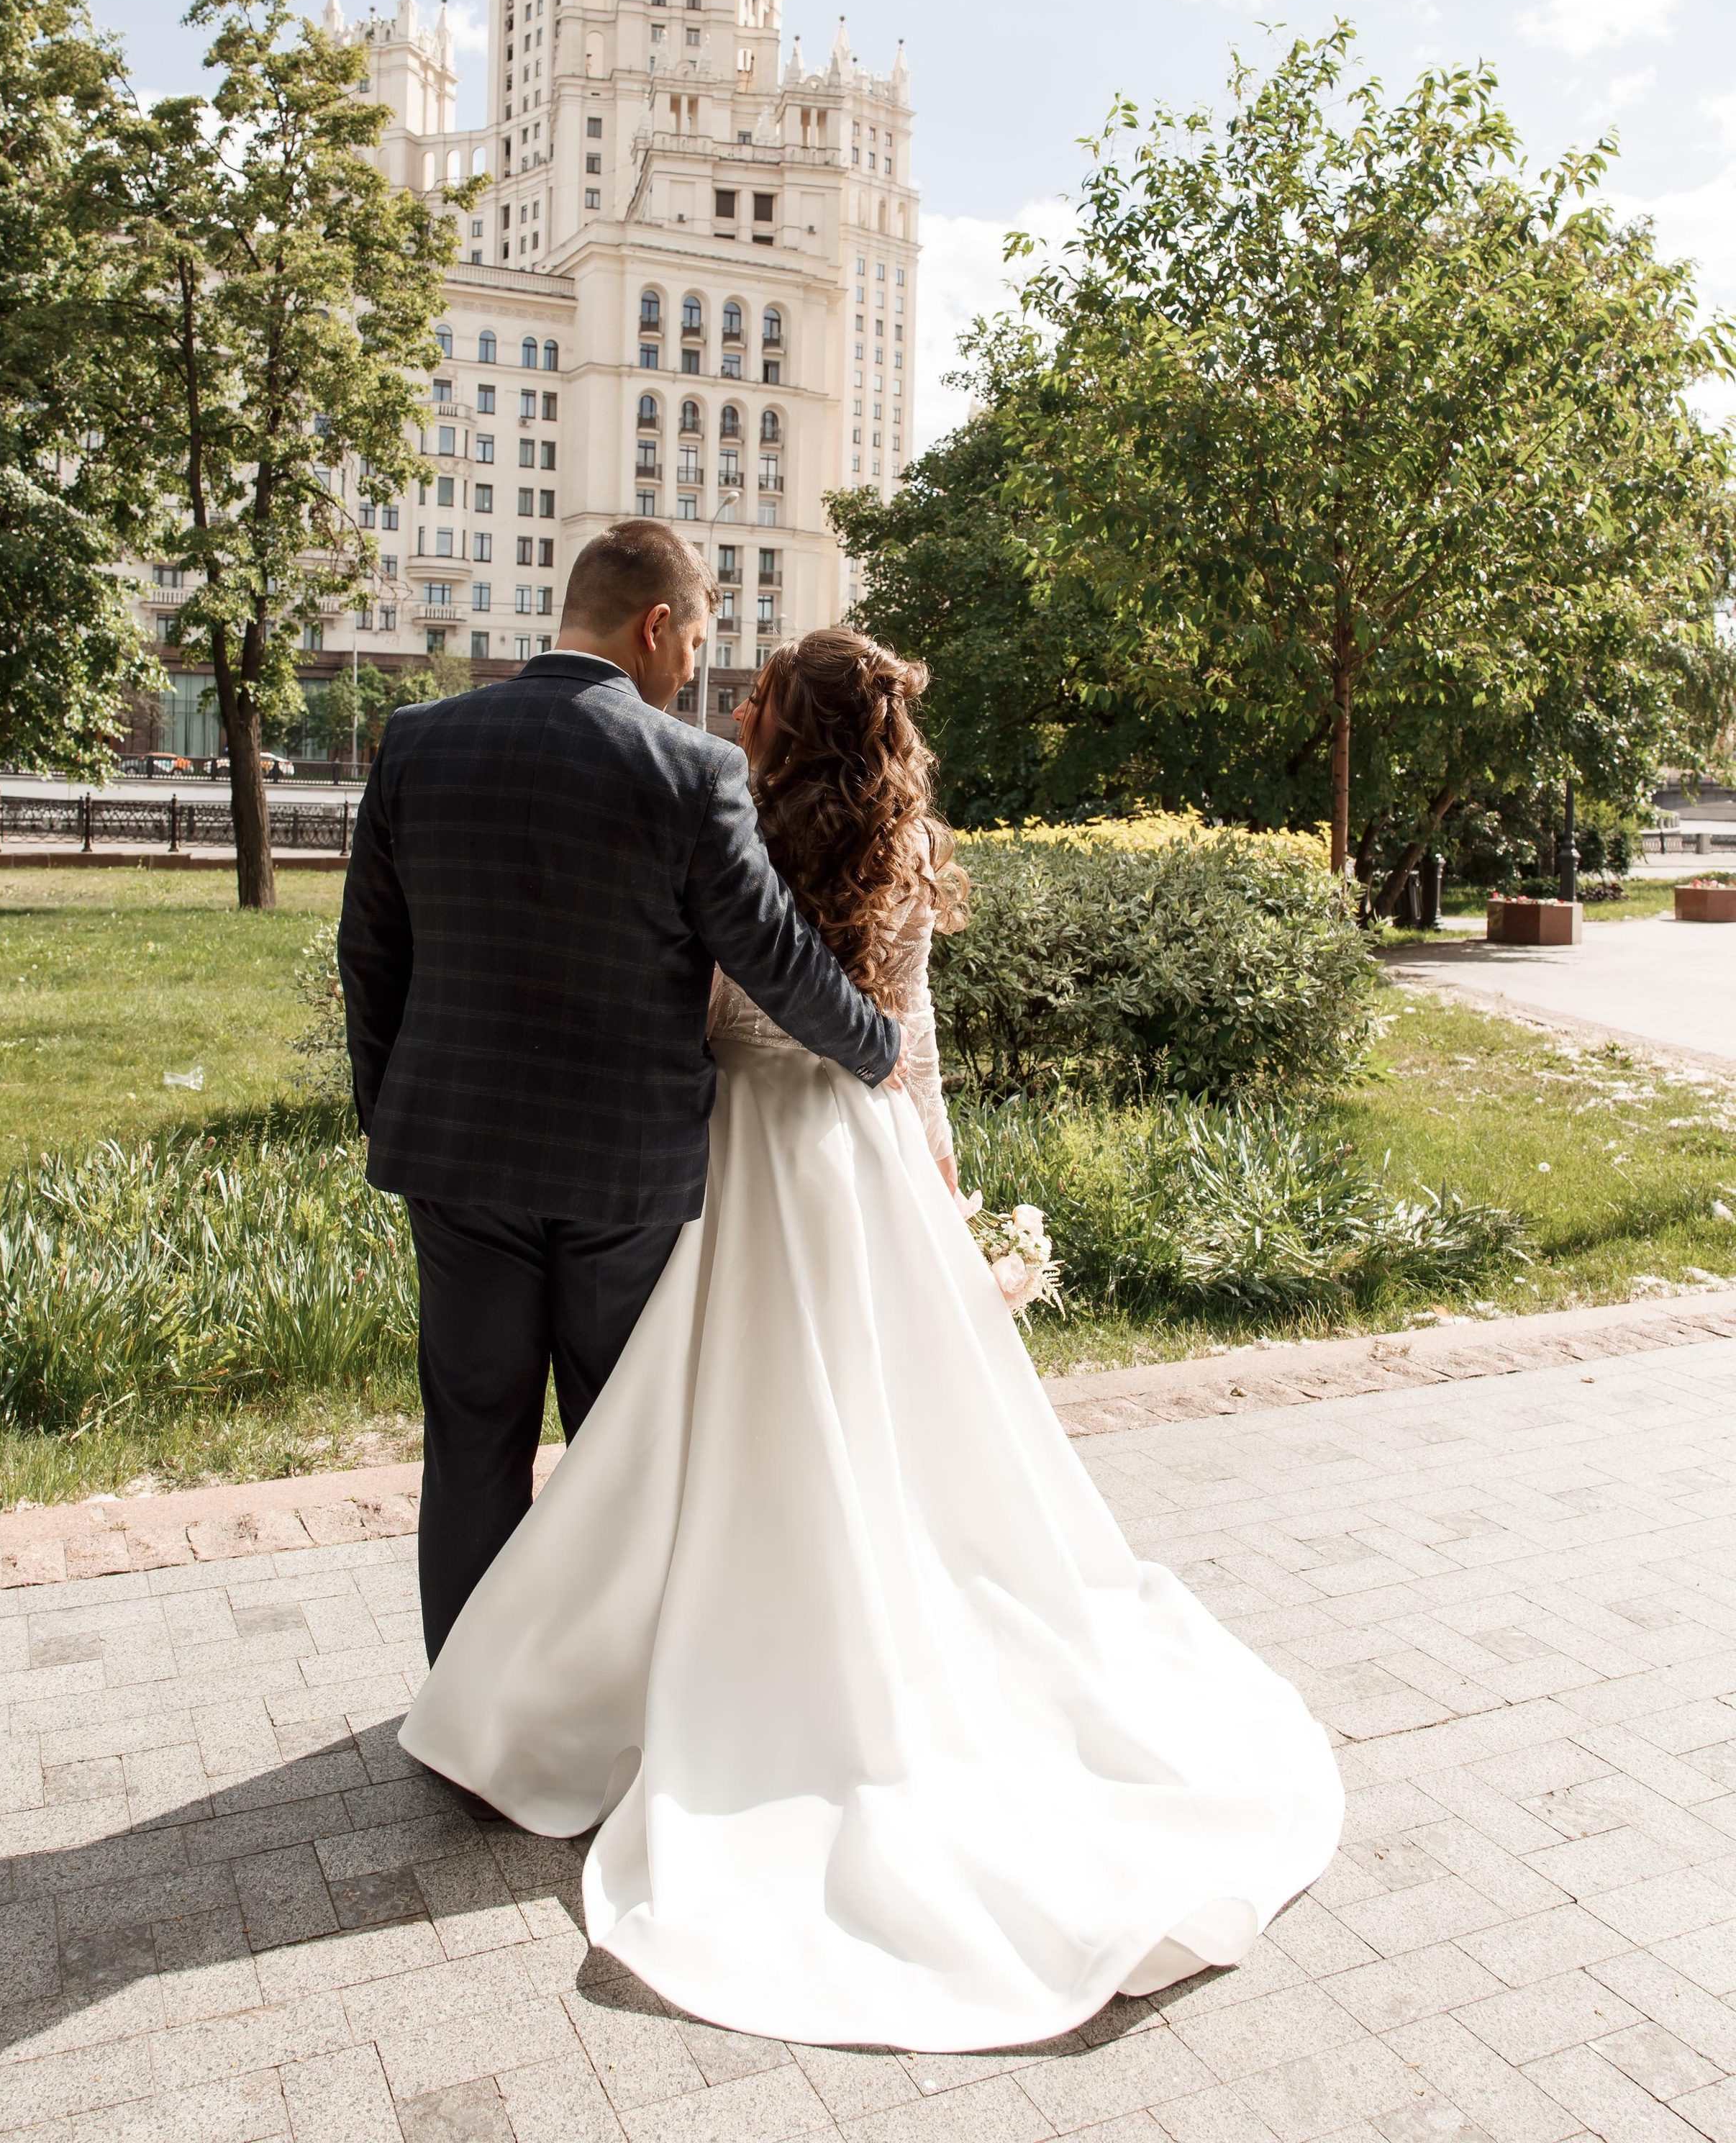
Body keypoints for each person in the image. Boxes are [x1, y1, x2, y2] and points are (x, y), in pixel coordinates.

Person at [400, 628, 1344, 2053]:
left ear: (778, 713)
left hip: (728, 1151)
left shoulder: (723, 806)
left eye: (757, 690)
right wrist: (940, 1171)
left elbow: (705, 996)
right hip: (853, 1159)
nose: (735, 699)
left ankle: (575, 1675)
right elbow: (908, 1031)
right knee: (872, 1431)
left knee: (686, 1429)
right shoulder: (904, 839)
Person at [337, 522, 902, 1661]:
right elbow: (775, 957)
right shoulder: (692, 772)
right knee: (615, 1453)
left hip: (455, 1166)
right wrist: (879, 1048)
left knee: (472, 1442)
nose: (695, 671)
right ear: (655, 627)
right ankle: (592, 1709)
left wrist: (394, 1107)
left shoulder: (416, 741)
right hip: (622, 1177)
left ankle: (466, 1708)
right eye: (695, 641)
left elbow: (371, 956)